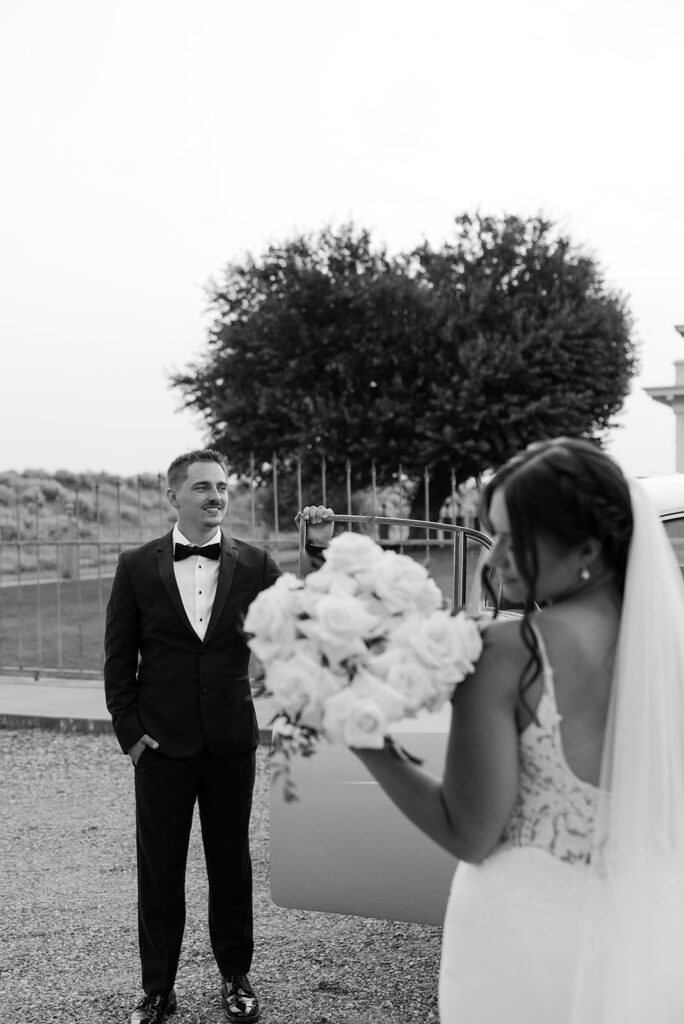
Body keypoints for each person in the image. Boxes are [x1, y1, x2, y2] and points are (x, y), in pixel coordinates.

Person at [352, 437, 684, 1023]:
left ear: (587, 545)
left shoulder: (509, 651)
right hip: (643, 929)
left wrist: (365, 740)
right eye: (492, 532)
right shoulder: (669, 651)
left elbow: (468, 833)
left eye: (515, 538)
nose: (494, 555)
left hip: (520, 934)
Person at [104, 448, 333, 1024]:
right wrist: (131, 735)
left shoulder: (254, 564)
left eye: (223, 487)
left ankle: (236, 978)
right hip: (160, 747)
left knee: (231, 865)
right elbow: (117, 659)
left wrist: (318, 551)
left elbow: (305, 617)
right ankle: (157, 988)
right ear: (173, 495)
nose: (215, 496)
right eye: (202, 487)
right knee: (161, 868)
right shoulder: (135, 566)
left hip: (231, 743)